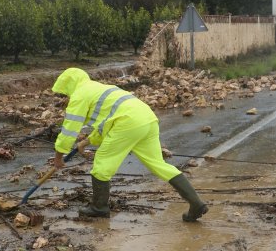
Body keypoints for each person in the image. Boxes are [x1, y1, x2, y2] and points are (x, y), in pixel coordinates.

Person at [51, 67, 208, 221]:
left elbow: (69, 130)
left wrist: (58, 156)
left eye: (65, 92)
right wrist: (87, 141)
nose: (66, 96)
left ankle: (99, 208)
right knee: (159, 164)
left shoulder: (79, 95)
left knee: (102, 165)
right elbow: (106, 122)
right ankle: (196, 203)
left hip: (127, 122)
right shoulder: (99, 88)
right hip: (147, 119)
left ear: (68, 85)